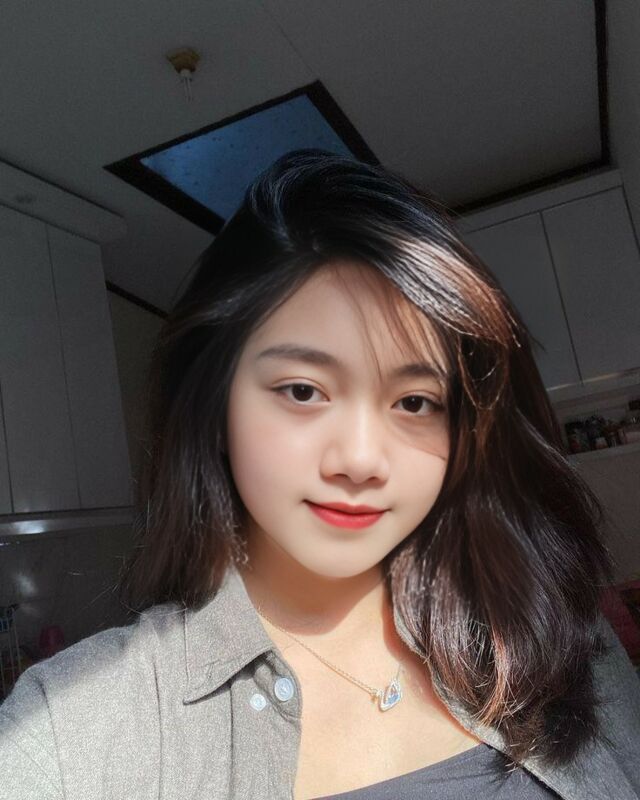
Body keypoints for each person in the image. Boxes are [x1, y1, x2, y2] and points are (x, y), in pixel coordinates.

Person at [1, 149, 639, 800]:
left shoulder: (545, 625)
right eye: (303, 391)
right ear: (213, 407)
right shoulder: (73, 730)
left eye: (414, 402)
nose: (360, 460)